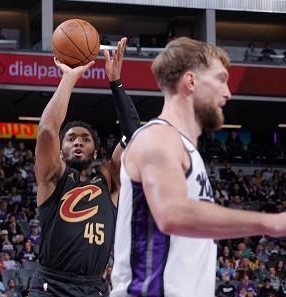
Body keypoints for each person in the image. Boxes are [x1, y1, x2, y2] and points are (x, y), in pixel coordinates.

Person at [110, 36, 286, 297]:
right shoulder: (158, 137)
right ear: (190, 81)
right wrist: (272, 223)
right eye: (221, 79)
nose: (228, 93)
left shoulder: (183, 147)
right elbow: (173, 214)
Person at [30, 37, 140, 297]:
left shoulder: (109, 180)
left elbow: (134, 135)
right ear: (60, 150)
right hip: (51, 286)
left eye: (85, 138)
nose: (78, 142)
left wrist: (116, 82)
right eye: (71, 138)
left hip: (93, 288)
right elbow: (47, 129)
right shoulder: (53, 177)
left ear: (96, 150)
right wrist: (69, 79)